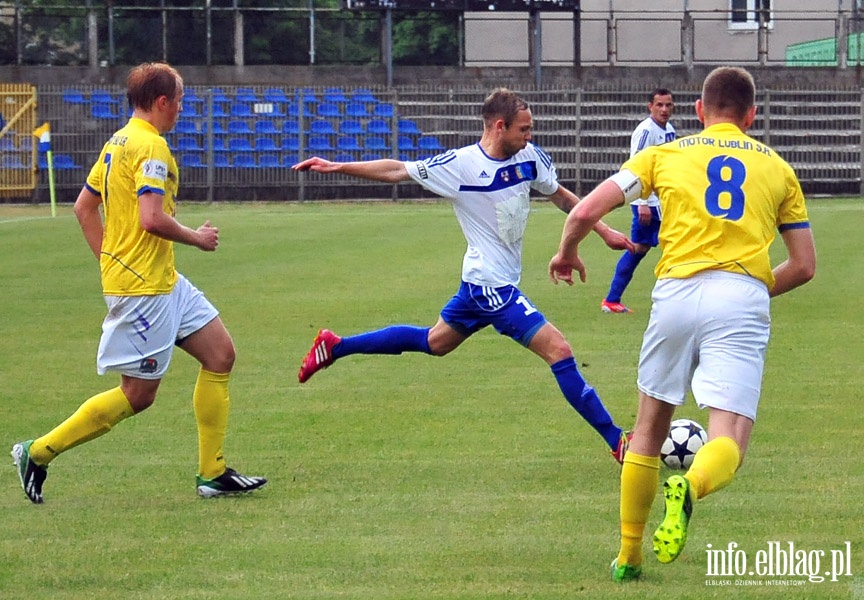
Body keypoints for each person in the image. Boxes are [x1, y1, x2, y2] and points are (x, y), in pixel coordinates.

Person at [548, 66, 816, 582]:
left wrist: (566, 252)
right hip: (740, 294)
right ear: (751, 115)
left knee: (648, 427)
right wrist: (753, 290)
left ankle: (628, 554)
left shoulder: (664, 153)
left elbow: (584, 212)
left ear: (698, 110)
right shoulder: (779, 169)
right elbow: (803, 265)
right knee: (730, 436)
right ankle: (689, 488)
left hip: (674, 293)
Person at [293, 88, 636, 462]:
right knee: (559, 350)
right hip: (491, 286)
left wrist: (601, 230)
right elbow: (397, 170)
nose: (530, 136)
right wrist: (339, 166)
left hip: (483, 283)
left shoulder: (530, 157)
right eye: (524, 129)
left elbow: (559, 195)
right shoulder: (460, 166)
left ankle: (335, 345)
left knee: (435, 342)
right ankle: (618, 442)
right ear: (499, 126)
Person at [11, 62, 266, 503]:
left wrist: (111, 261)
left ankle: (213, 472)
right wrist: (198, 240)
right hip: (144, 290)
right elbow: (151, 218)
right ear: (162, 102)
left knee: (221, 354)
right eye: (180, 101)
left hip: (162, 280)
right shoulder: (151, 148)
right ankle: (37, 452)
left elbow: (83, 209)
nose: (181, 110)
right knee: (138, 395)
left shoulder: (118, 141)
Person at [601, 88, 676, 314]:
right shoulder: (645, 131)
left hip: (662, 201)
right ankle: (612, 300)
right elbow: (637, 168)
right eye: (659, 105)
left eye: (668, 105)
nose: (664, 109)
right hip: (649, 203)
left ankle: (613, 300)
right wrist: (643, 201)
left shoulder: (670, 130)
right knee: (649, 247)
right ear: (650, 106)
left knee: (645, 247)